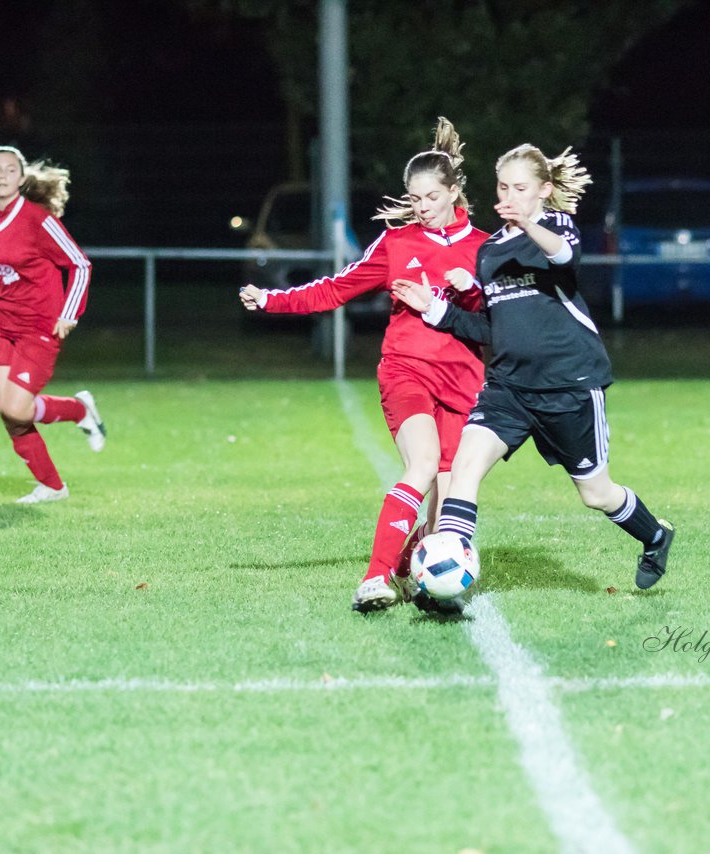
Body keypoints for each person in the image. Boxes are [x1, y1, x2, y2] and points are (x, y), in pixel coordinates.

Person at [392, 143, 675, 605]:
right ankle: (444, 581)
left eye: (521, 188)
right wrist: (438, 310)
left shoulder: (555, 226)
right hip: (508, 387)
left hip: (568, 386)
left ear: (543, 190)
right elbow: (492, 326)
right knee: (462, 469)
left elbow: (565, 258)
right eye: (504, 187)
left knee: (596, 494)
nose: (511, 196)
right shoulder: (489, 251)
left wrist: (528, 223)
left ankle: (655, 536)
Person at [240, 118, 489, 612]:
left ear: (454, 192)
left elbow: (500, 317)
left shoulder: (486, 247)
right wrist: (272, 300)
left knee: (445, 506)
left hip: (463, 382)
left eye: (431, 198)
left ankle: (410, 566)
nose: (421, 207)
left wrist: (470, 290)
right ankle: (375, 579)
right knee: (419, 467)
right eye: (414, 198)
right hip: (407, 371)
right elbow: (335, 288)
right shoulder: (397, 245)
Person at [0, 146, 105, 504]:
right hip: (1, 325)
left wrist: (70, 313)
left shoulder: (37, 220)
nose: (1, 175)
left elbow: (80, 264)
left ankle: (79, 410)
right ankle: (53, 487)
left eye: (10, 170)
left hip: (39, 327)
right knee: (8, 412)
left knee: (17, 409)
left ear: (22, 179)